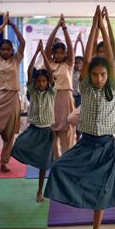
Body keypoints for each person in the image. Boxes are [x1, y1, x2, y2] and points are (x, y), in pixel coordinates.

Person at [44, 6, 115, 229]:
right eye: (96, 75)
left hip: (106, 146)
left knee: (102, 190)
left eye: (103, 75)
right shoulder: (86, 87)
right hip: (86, 143)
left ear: (108, 76)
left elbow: (112, 56)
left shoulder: (112, 87)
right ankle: (74, 199)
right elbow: (87, 59)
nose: (99, 78)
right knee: (58, 168)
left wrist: (104, 25)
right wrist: (93, 23)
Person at [11, 40, 55, 202]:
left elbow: (50, 73)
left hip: (47, 131)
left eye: (44, 81)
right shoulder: (33, 91)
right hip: (34, 129)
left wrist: (44, 54)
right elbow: (30, 71)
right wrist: (36, 52)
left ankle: (39, 191)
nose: (41, 83)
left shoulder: (51, 92)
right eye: (39, 81)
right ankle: (30, 159)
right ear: (35, 82)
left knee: (44, 164)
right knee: (18, 145)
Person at [0, 12, 25, 172]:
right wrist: (3, 25)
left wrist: (14, 26)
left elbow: (22, 42)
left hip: (12, 100)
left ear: (12, 51)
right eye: (2, 49)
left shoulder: (16, 60)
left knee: (10, 135)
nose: (4, 51)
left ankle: (4, 162)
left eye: (7, 49)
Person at [44, 14, 75, 159]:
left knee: (66, 133)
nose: (59, 54)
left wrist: (64, 28)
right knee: (52, 135)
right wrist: (56, 26)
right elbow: (48, 46)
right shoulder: (49, 64)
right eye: (56, 52)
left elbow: (70, 47)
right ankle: (56, 161)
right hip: (51, 100)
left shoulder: (69, 64)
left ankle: (67, 160)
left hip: (66, 99)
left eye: (62, 52)